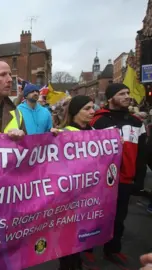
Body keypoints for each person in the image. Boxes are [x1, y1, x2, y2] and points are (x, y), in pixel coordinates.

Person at [86, 83, 147, 267]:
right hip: (102, 181)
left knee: (119, 218)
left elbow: (143, 153)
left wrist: (140, 179)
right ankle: (87, 249)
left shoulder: (137, 122)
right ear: (111, 98)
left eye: (128, 93)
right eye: (122, 93)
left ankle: (113, 249)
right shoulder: (97, 122)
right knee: (95, 215)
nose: (127, 96)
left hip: (126, 179)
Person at [56, 95, 95, 270]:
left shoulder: (96, 133)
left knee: (81, 236)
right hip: (70, 198)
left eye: (92, 107)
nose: (92, 112)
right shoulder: (64, 133)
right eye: (87, 109)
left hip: (90, 194)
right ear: (75, 113)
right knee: (69, 239)